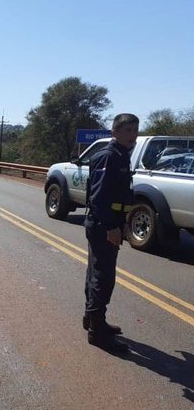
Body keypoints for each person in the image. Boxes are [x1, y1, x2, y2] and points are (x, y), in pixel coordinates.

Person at [83, 113, 138, 353]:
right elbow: (99, 197)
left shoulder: (120, 156)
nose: (133, 134)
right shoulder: (110, 157)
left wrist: (123, 222)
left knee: (95, 272)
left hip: (108, 223)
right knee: (103, 278)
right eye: (127, 130)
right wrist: (111, 227)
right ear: (114, 132)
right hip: (103, 226)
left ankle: (92, 320)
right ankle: (97, 332)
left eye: (135, 130)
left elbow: (119, 197)